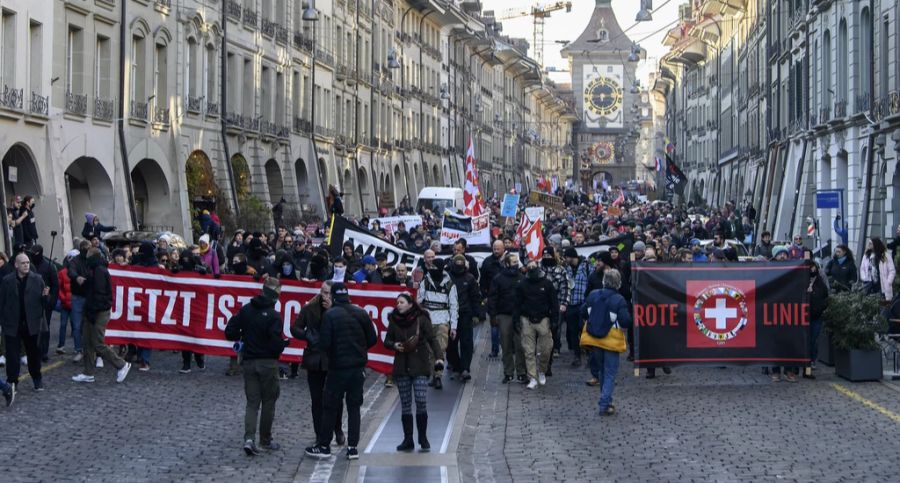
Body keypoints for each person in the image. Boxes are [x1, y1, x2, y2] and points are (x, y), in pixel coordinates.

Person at [305, 282, 377, 460]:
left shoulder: (330, 315)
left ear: (334, 296)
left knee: (329, 406)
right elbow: (372, 339)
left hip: (337, 369)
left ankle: (324, 445)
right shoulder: (361, 313)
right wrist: (360, 350)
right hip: (357, 368)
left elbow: (324, 343)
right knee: (354, 408)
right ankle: (352, 447)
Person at [224, 276, 289, 456]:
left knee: (252, 403)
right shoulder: (274, 316)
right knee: (269, 401)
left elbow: (229, 331)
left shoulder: (246, 310)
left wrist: (244, 337)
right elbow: (276, 343)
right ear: (274, 294)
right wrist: (283, 344)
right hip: (268, 363)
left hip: (249, 362)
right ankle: (265, 440)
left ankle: (249, 439)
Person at [384, 293, 443, 452]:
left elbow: (432, 339)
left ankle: (423, 437)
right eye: (397, 302)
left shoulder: (421, 318)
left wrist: (439, 358)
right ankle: (408, 439)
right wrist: (394, 345)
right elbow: (387, 341)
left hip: (420, 365)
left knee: (421, 400)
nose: (398, 305)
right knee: (405, 404)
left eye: (402, 302)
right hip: (402, 366)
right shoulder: (394, 320)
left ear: (410, 304)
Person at [291, 281, 346, 447]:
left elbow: (344, 330)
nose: (325, 296)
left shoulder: (339, 309)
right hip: (314, 358)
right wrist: (307, 335)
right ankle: (319, 434)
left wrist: (332, 310)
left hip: (333, 359)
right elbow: (295, 328)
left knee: (334, 397)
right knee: (317, 399)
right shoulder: (310, 307)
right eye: (323, 292)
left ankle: (337, 428)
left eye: (328, 293)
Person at [71, 248, 132, 384]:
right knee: (87, 342)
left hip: (98, 311)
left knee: (98, 343)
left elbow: (98, 294)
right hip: (92, 310)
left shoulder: (99, 271)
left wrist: (92, 312)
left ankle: (121, 365)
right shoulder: (96, 270)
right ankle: (88, 372)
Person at [580, 269, 631, 416]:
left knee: (602, 371)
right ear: (618, 283)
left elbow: (583, 312)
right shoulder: (619, 299)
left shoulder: (593, 295)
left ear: (604, 281)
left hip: (594, 338)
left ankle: (607, 402)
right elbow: (625, 321)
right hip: (611, 339)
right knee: (610, 373)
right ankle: (604, 403)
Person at [0, 253, 49, 391]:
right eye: (23, 263)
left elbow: (44, 303)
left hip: (31, 324)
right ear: (16, 265)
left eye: (27, 262)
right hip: (12, 324)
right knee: (12, 357)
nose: (26, 265)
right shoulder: (7, 280)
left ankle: (37, 379)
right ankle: (12, 383)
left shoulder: (37, 279)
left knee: (34, 355)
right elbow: (2, 301)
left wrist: (46, 296)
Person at [513, 260, 559, 390]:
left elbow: (554, 302)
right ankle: (532, 377)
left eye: (534, 266)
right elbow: (517, 303)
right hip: (526, 319)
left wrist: (555, 319)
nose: (532, 268)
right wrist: (516, 320)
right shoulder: (522, 284)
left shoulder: (547, 284)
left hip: (543, 319)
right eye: (530, 266)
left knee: (546, 349)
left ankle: (542, 370)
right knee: (528, 350)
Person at [416, 254, 458, 389]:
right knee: (429, 350)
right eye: (431, 266)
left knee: (439, 349)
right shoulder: (425, 282)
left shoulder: (450, 284)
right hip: (428, 320)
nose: (432, 269)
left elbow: (453, 305)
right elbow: (419, 301)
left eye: (434, 266)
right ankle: (433, 373)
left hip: (443, 321)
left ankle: (438, 376)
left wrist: (454, 327)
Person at [488, 253, 527, 384]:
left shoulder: (522, 278)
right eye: (514, 262)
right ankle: (508, 373)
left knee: (520, 345)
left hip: (519, 315)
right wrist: (493, 316)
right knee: (506, 345)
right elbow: (492, 298)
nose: (516, 264)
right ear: (507, 263)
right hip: (504, 315)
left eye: (517, 262)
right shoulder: (498, 279)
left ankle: (522, 372)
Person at [446, 254, 480, 382]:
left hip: (465, 314)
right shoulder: (447, 277)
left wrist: (477, 314)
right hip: (449, 315)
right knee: (451, 344)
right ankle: (456, 367)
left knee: (467, 342)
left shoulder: (470, 278)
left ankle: (465, 368)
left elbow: (475, 297)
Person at [540, 247, 569, 374]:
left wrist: (564, 304)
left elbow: (565, 287)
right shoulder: (539, 270)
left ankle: (549, 362)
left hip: (556, 305)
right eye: (544, 255)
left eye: (548, 255)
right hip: (541, 306)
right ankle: (543, 362)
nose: (546, 257)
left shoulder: (560, 270)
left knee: (553, 333)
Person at [563, 247, 592, 372]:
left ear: (572, 257)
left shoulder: (586, 266)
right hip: (570, 303)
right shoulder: (566, 268)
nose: (565, 259)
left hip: (583, 303)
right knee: (572, 331)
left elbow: (592, 282)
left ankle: (590, 355)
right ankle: (577, 355)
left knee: (585, 329)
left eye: (567, 257)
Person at [29, 245, 58, 362]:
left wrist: (51, 301)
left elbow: (55, 285)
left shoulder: (49, 266)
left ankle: (44, 351)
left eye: (34, 253)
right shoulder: (29, 265)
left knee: (45, 328)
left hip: (46, 302)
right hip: (32, 302)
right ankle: (34, 350)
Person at [479, 240, 506, 358]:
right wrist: (485, 296)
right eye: (494, 248)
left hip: (507, 298)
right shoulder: (487, 262)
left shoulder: (508, 260)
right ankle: (495, 349)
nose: (496, 251)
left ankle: (508, 348)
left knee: (507, 326)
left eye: (498, 249)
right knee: (494, 325)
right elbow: (483, 280)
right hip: (493, 298)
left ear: (503, 249)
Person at [805, 259, 829, 378]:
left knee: (814, 339)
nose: (812, 269)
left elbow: (825, 296)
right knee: (806, 339)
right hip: (805, 314)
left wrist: (821, 308)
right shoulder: (802, 280)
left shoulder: (820, 281)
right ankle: (806, 361)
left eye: (813, 267)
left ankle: (812, 360)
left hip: (817, 315)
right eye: (810, 267)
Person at [56, 250, 78, 357]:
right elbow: (58, 288)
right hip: (65, 304)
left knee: (76, 326)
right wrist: (63, 298)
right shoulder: (62, 273)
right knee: (63, 325)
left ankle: (78, 347)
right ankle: (60, 346)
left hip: (75, 303)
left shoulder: (79, 271)